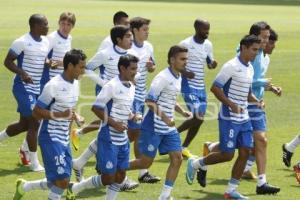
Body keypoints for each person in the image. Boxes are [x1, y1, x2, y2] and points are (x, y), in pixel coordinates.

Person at [186, 34, 262, 200]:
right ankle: (196, 163)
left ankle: (231, 190)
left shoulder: (250, 68)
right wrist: (231, 104)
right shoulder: (231, 66)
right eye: (254, 50)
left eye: (258, 50)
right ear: (243, 48)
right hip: (229, 118)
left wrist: (257, 102)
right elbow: (215, 88)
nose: (256, 53)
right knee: (227, 155)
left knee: (245, 152)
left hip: (244, 118)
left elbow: (247, 94)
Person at [12, 49, 87, 200]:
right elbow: (36, 111)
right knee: (62, 181)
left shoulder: (76, 84)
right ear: (70, 66)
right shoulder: (53, 85)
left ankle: (24, 186)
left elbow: (67, 109)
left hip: (64, 139)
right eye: (81, 67)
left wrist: (75, 116)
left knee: (60, 181)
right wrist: (60, 115)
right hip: (50, 137)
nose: (83, 70)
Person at [72, 25, 139, 190]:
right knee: (111, 130)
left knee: (116, 132)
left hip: (124, 94)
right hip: (109, 95)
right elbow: (87, 68)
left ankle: (80, 162)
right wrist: (103, 83)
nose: (132, 39)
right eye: (128, 36)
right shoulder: (106, 53)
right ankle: (115, 175)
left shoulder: (133, 56)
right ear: (118, 39)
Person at [128, 45, 191, 200]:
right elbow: (149, 100)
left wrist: (182, 111)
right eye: (182, 59)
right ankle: (114, 168)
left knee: (177, 158)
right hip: (154, 126)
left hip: (168, 128)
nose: (185, 62)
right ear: (172, 60)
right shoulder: (163, 77)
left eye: (186, 59)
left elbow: (170, 99)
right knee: (145, 163)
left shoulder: (178, 76)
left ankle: (164, 196)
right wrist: (165, 118)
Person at [19, 12, 76, 166]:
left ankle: (25, 148)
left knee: (40, 121)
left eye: (69, 25)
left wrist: (62, 64)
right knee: (39, 119)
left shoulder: (68, 39)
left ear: (72, 26)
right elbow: (42, 56)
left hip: (61, 85)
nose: (65, 27)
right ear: (59, 23)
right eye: (63, 24)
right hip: (48, 83)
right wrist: (50, 62)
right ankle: (27, 151)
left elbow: (65, 62)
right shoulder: (51, 38)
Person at [70, 11, 130, 150]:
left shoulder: (128, 43)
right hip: (106, 87)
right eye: (125, 23)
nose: (128, 26)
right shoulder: (107, 44)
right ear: (117, 24)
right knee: (109, 121)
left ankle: (80, 134)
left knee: (111, 120)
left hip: (121, 89)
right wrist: (103, 82)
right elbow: (90, 66)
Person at [0, 14, 49, 171]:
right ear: (35, 26)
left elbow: (42, 60)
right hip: (22, 87)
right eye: (44, 24)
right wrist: (23, 73)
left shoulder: (46, 42)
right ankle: (34, 163)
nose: (47, 27)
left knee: (23, 125)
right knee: (35, 122)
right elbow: (7, 61)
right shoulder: (21, 42)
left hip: (36, 88)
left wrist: (50, 63)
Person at [177, 19, 217, 158]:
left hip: (201, 86)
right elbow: (174, 63)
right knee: (199, 116)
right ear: (196, 28)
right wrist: (186, 73)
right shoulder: (185, 44)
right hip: (188, 85)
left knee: (199, 119)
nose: (207, 32)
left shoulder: (208, 45)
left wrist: (213, 64)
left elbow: (209, 63)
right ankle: (172, 134)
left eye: (208, 29)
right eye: (204, 29)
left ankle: (183, 147)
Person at [127, 16, 160, 183]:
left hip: (142, 97)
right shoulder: (128, 48)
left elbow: (152, 66)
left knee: (137, 133)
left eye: (148, 29)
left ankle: (142, 172)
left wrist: (151, 67)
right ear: (135, 31)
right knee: (129, 134)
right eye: (145, 29)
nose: (148, 32)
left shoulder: (149, 46)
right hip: (128, 97)